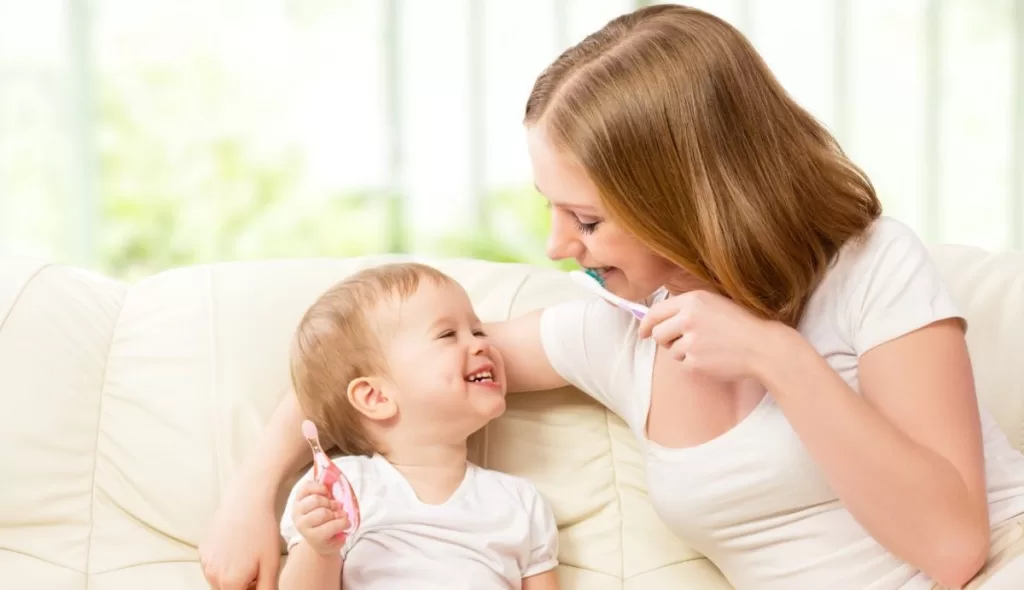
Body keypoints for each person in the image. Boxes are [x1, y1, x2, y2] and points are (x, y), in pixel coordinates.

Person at [200, 5, 1024, 590]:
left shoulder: (872, 268)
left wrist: (779, 358)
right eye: (550, 210)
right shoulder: (616, 333)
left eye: (587, 219)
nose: (558, 247)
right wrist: (249, 496)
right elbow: (379, 363)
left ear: (688, 198)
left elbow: (953, 548)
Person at [277, 262, 559, 589]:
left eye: (478, 330)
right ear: (375, 396)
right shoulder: (342, 489)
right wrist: (320, 550)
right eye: (447, 334)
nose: (484, 344)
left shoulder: (521, 503)